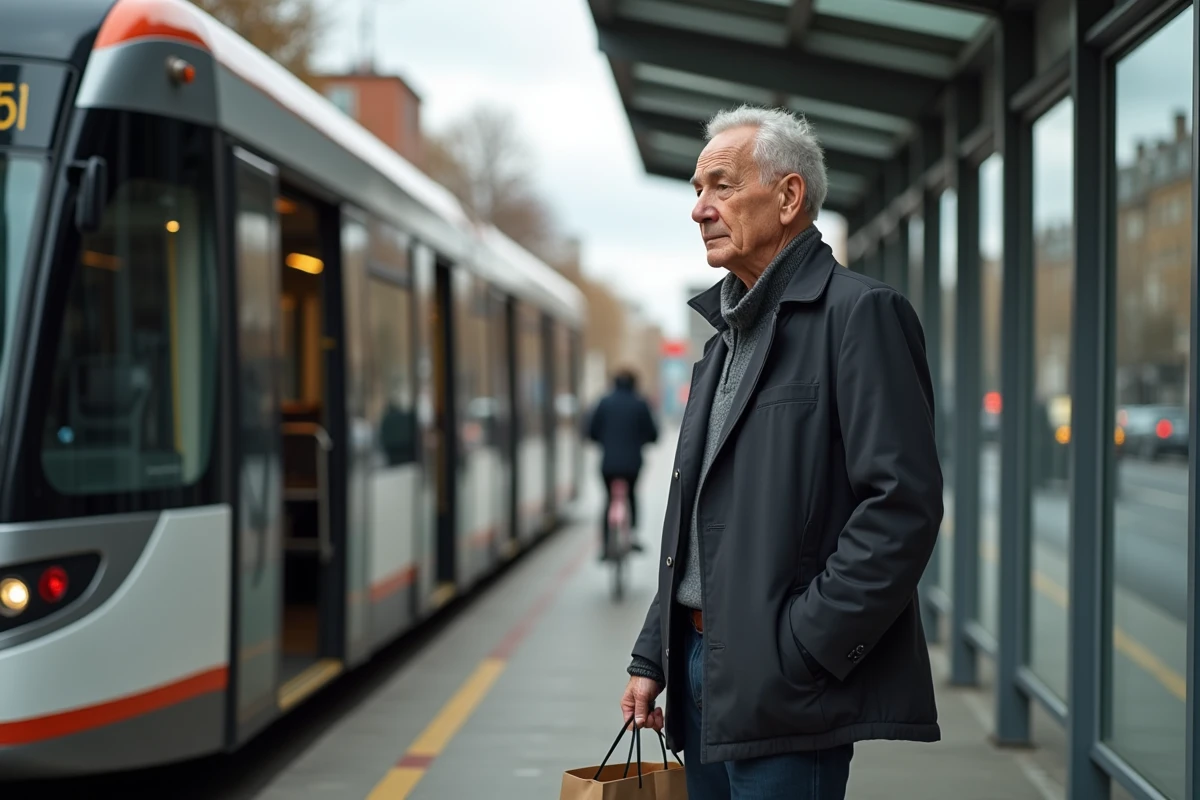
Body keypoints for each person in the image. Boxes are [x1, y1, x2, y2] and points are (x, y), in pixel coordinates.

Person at [618, 105, 943, 800]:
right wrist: (655, 653)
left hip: (788, 684)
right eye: (697, 191)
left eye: (722, 186)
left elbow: (902, 508)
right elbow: (695, 516)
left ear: (789, 196)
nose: (700, 209)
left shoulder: (861, 316)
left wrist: (808, 648)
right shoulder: (720, 346)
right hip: (701, 671)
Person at [588, 369, 659, 558]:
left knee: (609, 499)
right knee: (631, 495)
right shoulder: (640, 403)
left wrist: (604, 440)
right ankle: (633, 535)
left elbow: (591, 431)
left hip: (608, 464)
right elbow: (653, 434)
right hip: (632, 465)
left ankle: (605, 545)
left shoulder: (604, 402)